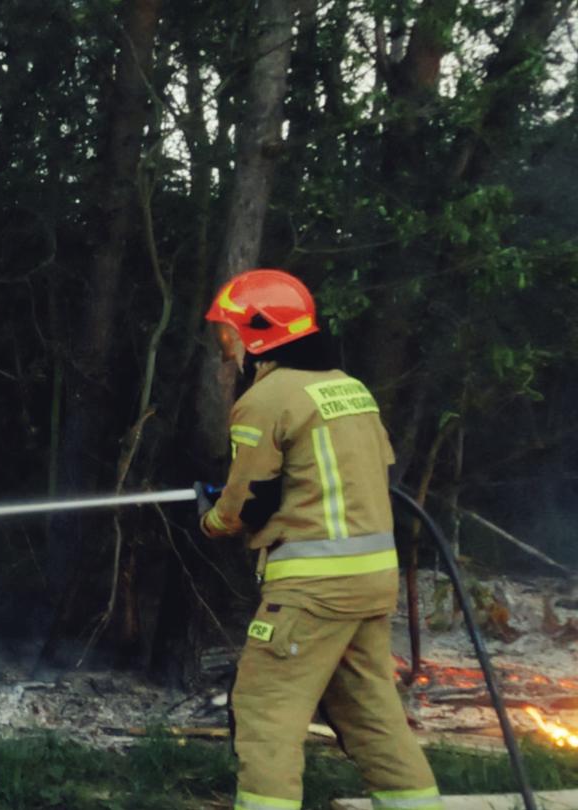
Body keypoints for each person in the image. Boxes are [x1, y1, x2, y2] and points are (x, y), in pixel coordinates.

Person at [200, 269, 444, 810]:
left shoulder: (265, 400)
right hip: (369, 584)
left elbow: (246, 504)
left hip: (312, 591)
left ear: (260, 333)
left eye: (230, 333)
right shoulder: (348, 389)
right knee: (371, 712)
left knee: (266, 709)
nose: (227, 347)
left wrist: (211, 517)